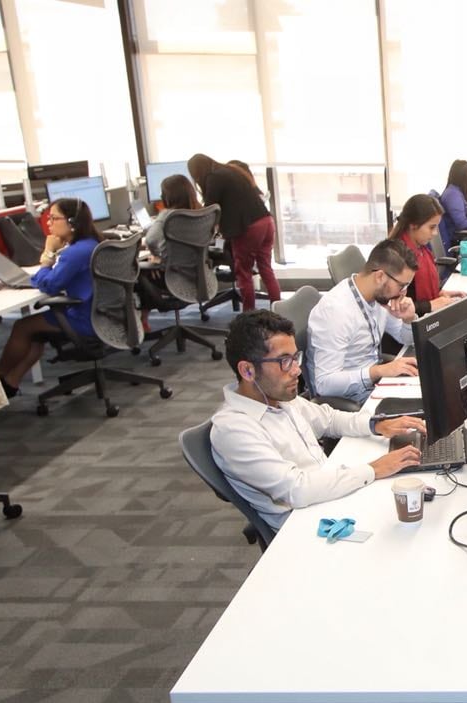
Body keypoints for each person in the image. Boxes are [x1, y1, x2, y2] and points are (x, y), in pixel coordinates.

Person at [210, 310, 426, 531]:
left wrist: (377, 425)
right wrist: (374, 469)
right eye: (285, 361)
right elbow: (298, 489)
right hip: (309, 525)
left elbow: (329, 419)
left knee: (423, 497)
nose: (297, 371)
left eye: (296, 358)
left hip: (327, 494)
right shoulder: (233, 430)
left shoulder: (277, 397)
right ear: (247, 370)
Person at [0, 197, 101, 397]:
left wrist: (48, 255)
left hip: (85, 319)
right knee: (36, 334)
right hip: (101, 315)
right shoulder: (92, 243)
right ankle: (10, 382)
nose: (48, 223)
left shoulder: (75, 253)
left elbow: (49, 285)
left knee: (22, 327)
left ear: (72, 222)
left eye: (53, 218)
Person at [306, 239, 420, 406]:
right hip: (351, 400)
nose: (404, 292)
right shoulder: (336, 311)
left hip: (375, 385)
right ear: (380, 276)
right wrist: (377, 371)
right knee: (428, 408)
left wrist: (408, 319)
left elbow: (405, 339)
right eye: (402, 285)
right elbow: (324, 384)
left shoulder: (378, 297)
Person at [187, 153, 280, 310]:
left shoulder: (213, 178)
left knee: (244, 273)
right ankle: (278, 310)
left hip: (248, 228)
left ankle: (249, 315)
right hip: (266, 221)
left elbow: (209, 211)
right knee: (265, 268)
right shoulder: (233, 170)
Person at [136, 173, 200, 331]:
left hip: (172, 277)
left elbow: (151, 240)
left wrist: (157, 257)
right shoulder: (201, 213)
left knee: (138, 270)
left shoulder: (167, 216)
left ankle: (142, 321)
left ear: (167, 197)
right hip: (197, 277)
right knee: (149, 267)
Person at [387, 194, 466, 316]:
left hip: (425, 316)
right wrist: (431, 305)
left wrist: (440, 294)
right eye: (432, 227)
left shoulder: (421, 249)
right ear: (413, 224)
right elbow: (394, 308)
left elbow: (418, 292)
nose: (435, 233)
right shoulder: (396, 256)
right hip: (412, 322)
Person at [438, 159, 467, 250]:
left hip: (463, 238)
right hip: (457, 240)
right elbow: (462, 224)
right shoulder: (452, 195)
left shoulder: (457, 192)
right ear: (464, 176)